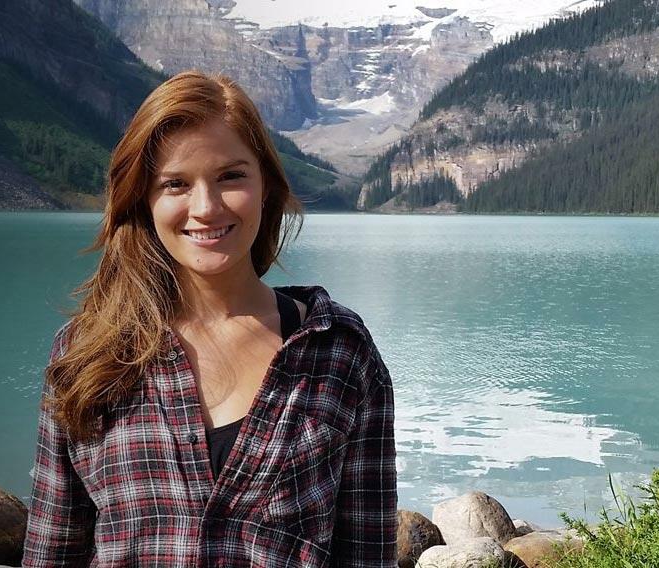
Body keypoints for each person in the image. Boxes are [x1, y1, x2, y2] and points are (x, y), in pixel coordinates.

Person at [22, 70, 397, 567]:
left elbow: (367, 555)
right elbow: (52, 550)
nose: (206, 207)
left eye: (231, 176)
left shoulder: (339, 352)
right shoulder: (86, 352)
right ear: (144, 199)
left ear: (266, 186)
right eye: (175, 184)